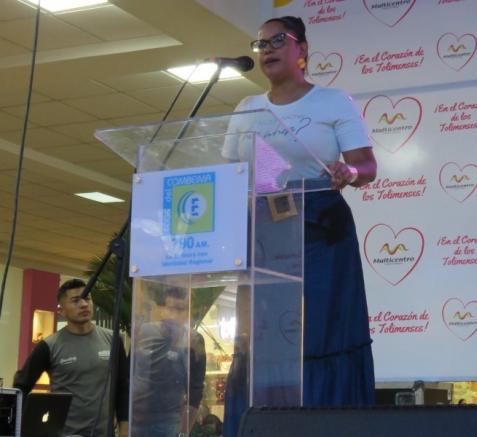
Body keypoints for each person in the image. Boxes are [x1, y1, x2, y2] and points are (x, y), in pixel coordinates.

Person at [223, 15, 377, 437]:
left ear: (302, 49)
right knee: (265, 337)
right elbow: (230, 172)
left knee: (320, 333)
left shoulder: (333, 101)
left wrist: (349, 171)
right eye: (261, 44)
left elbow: (367, 166)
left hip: (321, 228)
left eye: (278, 40)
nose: (267, 49)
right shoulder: (246, 108)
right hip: (264, 230)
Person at [13, 278, 129, 437]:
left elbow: (123, 388)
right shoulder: (49, 346)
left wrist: (124, 431)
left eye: (87, 298)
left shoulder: (113, 340)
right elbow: (21, 387)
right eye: (75, 300)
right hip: (65, 434)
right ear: (61, 311)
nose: (84, 304)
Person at [130, 286, 207, 437]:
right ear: (162, 309)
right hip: (137, 418)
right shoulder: (145, 332)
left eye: (180, 309)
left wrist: (183, 431)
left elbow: (195, 390)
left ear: (188, 312)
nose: (173, 315)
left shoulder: (194, 340)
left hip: (169, 422)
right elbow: (128, 375)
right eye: (170, 308)